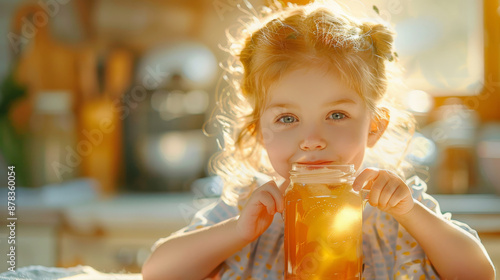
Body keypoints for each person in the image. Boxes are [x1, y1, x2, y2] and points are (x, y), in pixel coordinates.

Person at [142, 1, 496, 279]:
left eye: (337, 115)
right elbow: (157, 273)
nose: (312, 140)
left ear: (373, 126)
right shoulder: (251, 206)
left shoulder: (396, 207)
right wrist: (236, 231)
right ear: (258, 133)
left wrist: (413, 213)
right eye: (287, 119)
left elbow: (477, 274)